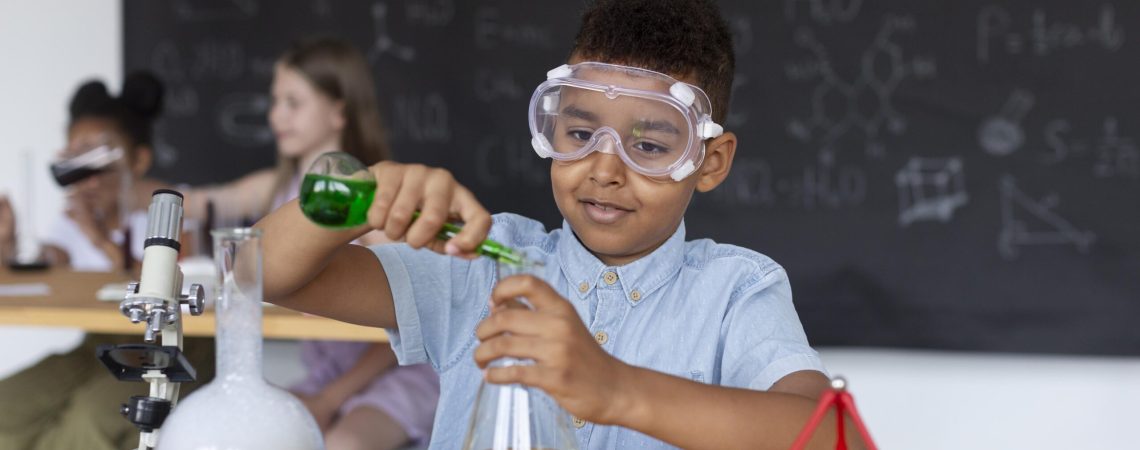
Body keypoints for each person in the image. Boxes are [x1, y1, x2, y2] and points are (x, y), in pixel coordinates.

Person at [254, 1, 857, 448]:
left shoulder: (734, 292)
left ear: (710, 161)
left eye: (649, 146)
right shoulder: (484, 261)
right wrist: (361, 194)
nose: (603, 168)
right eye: (577, 133)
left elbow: (837, 437)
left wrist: (616, 390)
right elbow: (266, 274)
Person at [180, 37, 438, 450]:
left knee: (342, 444)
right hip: (326, 377)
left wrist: (328, 400)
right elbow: (192, 200)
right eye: (274, 101)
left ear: (339, 111)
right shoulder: (277, 188)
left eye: (293, 102)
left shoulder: (372, 197)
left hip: (396, 375)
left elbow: (415, 317)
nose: (276, 115)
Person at [0, 72, 215, 450]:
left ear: (137, 160)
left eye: (99, 154)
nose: (89, 173)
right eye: (77, 157)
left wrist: (101, 240)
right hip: (99, 344)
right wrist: (8, 244)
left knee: (88, 422)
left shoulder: (170, 207)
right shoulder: (74, 218)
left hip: (172, 349)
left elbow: (172, 289)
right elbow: (47, 262)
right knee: (10, 407)